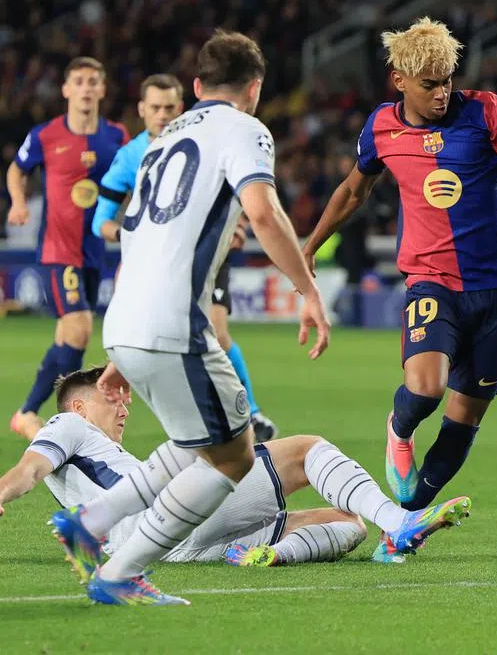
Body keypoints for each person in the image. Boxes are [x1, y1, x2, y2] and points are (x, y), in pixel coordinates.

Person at [47, 30, 338, 607]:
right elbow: (262, 209)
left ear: (198, 86)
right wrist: (306, 288)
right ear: (254, 89)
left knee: (197, 442)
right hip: (173, 323)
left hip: (127, 315)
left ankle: (96, 522)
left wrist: (125, 346)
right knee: (234, 456)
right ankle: (115, 566)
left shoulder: (158, 142)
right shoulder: (245, 129)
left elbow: (134, 234)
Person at [301, 17, 497, 522]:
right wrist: (310, 246)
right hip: (431, 280)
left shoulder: (485, 110)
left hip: (496, 286)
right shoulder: (382, 126)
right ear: (399, 80)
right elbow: (354, 191)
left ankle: (404, 519)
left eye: (447, 80)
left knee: (464, 417)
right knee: (426, 388)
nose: (442, 92)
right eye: (429, 85)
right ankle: (399, 430)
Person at [0, 367, 469, 568]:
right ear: (78, 409)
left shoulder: (104, 461)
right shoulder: (66, 424)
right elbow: (29, 471)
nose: (123, 409)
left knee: (348, 521)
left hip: (171, 548)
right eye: (111, 400)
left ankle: (271, 555)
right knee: (307, 450)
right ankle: (401, 523)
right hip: (169, 515)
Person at [91, 74, 277, 442]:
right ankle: (215, 425)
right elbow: (101, 220)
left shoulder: (202, 135)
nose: (162, 115)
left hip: (206, 254)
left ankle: (249, 414)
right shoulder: (131, 156)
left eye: (170, 108)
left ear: (183, 105)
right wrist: (132, 233)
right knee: (175, 338)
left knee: (218, 334)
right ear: (141, 110)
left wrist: (230, 228)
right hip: (155, 259)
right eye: (155, 108)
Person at [5, 57, 130, 440]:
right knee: (78, 330)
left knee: (68, 338)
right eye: (79, 81)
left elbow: (134, 176)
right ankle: (64, 422)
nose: (86, 88)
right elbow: (16, 168)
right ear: (66, 89)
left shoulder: (117, 137)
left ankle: (29, 413)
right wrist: (19, 201)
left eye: (93, 81)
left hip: (96, 250)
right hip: (59, 250)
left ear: (102, 89)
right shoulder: (46, 135)